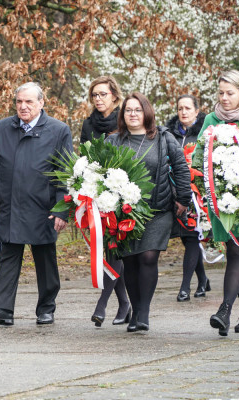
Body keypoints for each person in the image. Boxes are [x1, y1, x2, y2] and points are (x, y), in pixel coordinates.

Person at [0, 82, 72, 326]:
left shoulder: (59, 130)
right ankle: (2, 309)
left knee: (45, 260)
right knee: (7, 258)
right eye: (19, 101)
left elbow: (65, 174)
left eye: (29, 102)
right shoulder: (2, 128)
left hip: (43, 209)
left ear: (41, 103)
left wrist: (62, 209)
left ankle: (46, 309)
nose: (23, 106)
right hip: (8, 207)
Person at [106, 92, 191, 332]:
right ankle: (135, 310)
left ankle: (143, 312)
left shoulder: (163, 138)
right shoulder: (114, 141)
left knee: (148, 257)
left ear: (147, 112)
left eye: (138, 110)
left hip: (158, 209)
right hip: (125, 214)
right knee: (131, 262)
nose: (133, 114)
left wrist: (183, 199)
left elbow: (181, 167)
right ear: (123, 114)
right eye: (128, 110)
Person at [193, 70, 239, 336]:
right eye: (221, 93)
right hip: (219, 198)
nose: (225, 98)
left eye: (230, 93)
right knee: (238, 254)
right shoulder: (211, 120)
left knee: (238, 252)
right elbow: (197, 155)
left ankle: (225, 311)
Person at [81, 76, 131, 327]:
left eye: (103, 94)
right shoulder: (88, 125)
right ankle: (124, 303)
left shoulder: (126, 119)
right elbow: (84, 158)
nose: (98, 99)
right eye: (94, 95)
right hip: (97, 191)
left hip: (124, 189)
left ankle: (102, 304)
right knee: (110, 247)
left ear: (114, 96)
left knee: (116, 247)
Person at [165, 95, 210, 302]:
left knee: (192, 236)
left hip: (198, 193)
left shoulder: (204, 132)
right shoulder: (169, 135)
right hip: (175, 193)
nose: (183, 112)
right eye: (180, 108)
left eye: (187, 108)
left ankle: (185, 287)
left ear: (196, 111)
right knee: (187, 237)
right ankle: (202, 279)